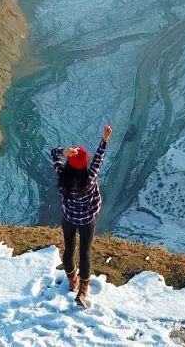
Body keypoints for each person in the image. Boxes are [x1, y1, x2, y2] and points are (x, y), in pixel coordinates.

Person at [50, 124, 111, 308]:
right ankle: (83, 290)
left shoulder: (62, 175)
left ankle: (72, 279)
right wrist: (105, 139)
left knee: (69, 250)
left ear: (69, 163)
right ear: (85, 165)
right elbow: (99, 159)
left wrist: (64, 151)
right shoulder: (90, 178)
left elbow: (53, 153)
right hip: (87, 221)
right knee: (85, 253)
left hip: (69, 218)